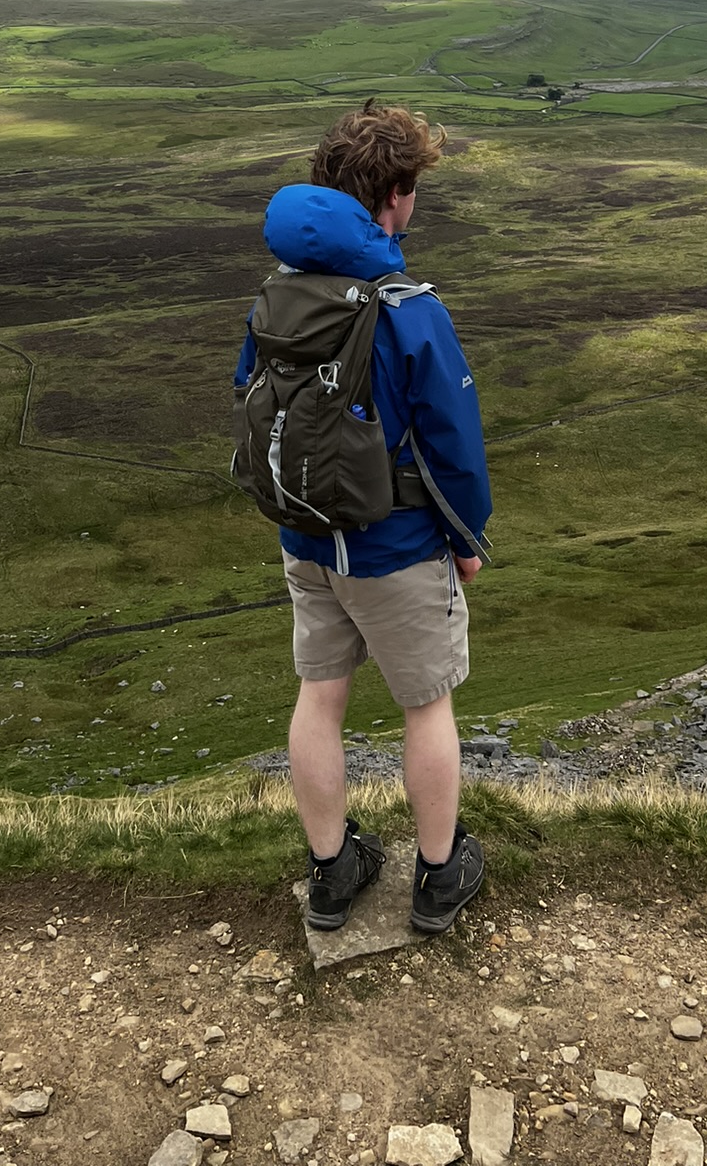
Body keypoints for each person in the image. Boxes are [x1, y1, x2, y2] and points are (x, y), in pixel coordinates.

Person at [234, 100, 492, 934]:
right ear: (391, 194)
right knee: (427, 707)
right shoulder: (406, 304)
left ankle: (332, 874)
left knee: (319, 699)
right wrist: (468, 540)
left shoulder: (278, 292)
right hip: (395, 547)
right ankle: (439, 876)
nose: (415, 205)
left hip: (305, 538)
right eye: (412, 189)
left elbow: (249, 395)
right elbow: (453, 440)